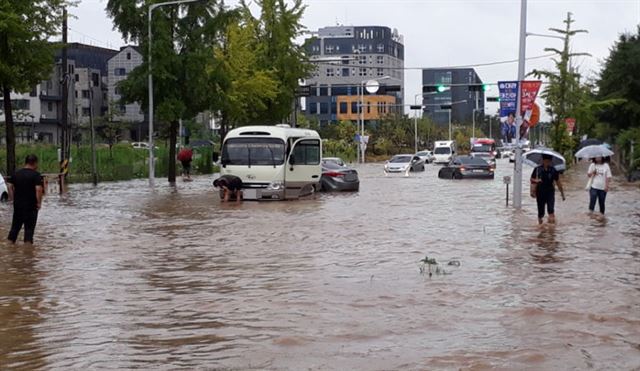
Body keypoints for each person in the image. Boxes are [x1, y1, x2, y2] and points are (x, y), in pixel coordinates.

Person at [7, 154, 44, 244]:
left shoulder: (16, 174)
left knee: (14, 229)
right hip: (31, 207)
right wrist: (39, 203)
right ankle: (28, 255)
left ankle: (9, 248)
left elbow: (9, 186)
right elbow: (38, 189)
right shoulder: (36, 175)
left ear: (26, 162)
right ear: (34, 163)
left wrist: (12, 199)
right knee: (29, 231)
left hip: (18, 206)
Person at [531, 154, 566, 224]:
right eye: (546, 161)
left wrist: (562, 194)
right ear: (543, 160)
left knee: (551, 210)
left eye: (549, 161)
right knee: (541, 213)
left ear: (550, 161)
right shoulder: (537, 169)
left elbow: (558, 182)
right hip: (540, 192)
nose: (547, 162)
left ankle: (551, 229)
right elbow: (532, 179)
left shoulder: (553, 170)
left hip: (550, 192)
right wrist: (536, 181)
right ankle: (541, 226)